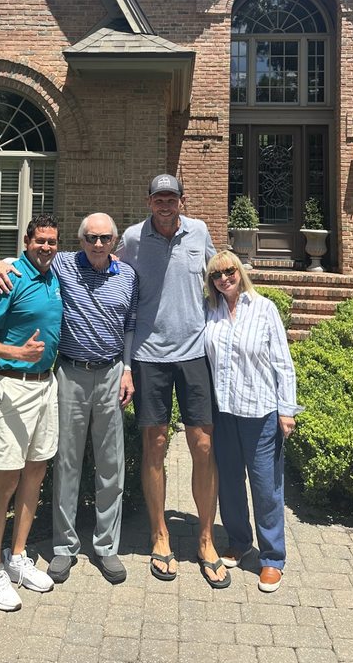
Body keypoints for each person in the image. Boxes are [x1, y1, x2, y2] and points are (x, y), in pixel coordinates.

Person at [0, 213, 138, 585]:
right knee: (66, 463)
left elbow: (130, 326)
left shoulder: (128, 276)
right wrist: (0, 263)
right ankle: (64, 547)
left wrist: (127, 368)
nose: (98, 244)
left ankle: (106, 547)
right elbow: (28, 257)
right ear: (81, 240)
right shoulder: (65, 264)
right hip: (69, 373)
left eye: (106, 238)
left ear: (115, 242)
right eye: (91, 238)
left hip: (109, 374)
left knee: (110, 465)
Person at [116, 174, 229, 588]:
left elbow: (221, 274)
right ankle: (160, 534)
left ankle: (204, 538)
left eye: (172, 198)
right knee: (156, 444)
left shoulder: (199, 230)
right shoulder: (131, 238)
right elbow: (100, 268)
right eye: (159, 198)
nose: (165, 205)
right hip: (149, 356)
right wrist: (8, 261)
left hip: (195, 352)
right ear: (149, 202)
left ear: (183, 201)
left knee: (203, 443)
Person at [0, 214, 63, 612]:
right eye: (39, 241)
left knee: (36, 472)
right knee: (6, 479)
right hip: (13, 386)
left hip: (47, 385)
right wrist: (16, 353)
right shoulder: (9, 279)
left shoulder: (55, 274)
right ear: (26, 242)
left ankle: (17, 555)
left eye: (52, 242)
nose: (46, 247)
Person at [203, 249, 303, 593]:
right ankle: (239, 540)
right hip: (224, 411)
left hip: (260, 414)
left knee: (265, 487)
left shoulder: (263, 309)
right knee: (229, 483)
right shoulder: (211, 311)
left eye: (229, 271)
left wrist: (286, 409)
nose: (224, 279)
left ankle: (273, 557)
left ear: (240, 272)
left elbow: (282, 362)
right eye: (217, 275)